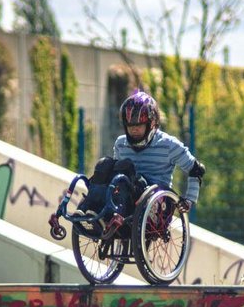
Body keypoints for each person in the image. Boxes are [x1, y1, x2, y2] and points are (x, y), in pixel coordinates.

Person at [74, 90, 205, 234]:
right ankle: (87, 211)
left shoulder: (169, 145)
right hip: (126, 196)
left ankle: (113, 215)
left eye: (139, 125)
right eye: (130, 126)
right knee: (105, 165)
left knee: (125, 167)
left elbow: (196, 169)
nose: (134, 130)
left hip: (155, 204)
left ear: (151, 123)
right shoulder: (121, 143)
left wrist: (189, 200)